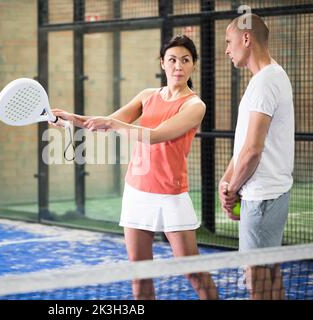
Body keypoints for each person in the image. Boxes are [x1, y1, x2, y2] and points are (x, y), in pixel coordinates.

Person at [53, 35, 218, 300]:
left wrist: (112, 125)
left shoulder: (195, 105)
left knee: (193, 270)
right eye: (172, 59)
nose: (178, 66)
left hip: (171, 195)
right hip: (137, 192)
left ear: (193, 66)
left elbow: (154, 135)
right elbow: (109, 121)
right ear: (162, 63)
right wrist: (72, 119)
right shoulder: (147, 96)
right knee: (140, 274)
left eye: (185, 60)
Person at [219, 14, 294, 299]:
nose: (227, 49)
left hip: (261, 197)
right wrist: (227, 181)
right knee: (271, 276)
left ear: (246, 38)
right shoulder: (270, 77)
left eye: (229, 41)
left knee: (257, 280)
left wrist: (233, 189)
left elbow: (252, 152)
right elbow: (245, 146)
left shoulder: (265, 82)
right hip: (267, 195)